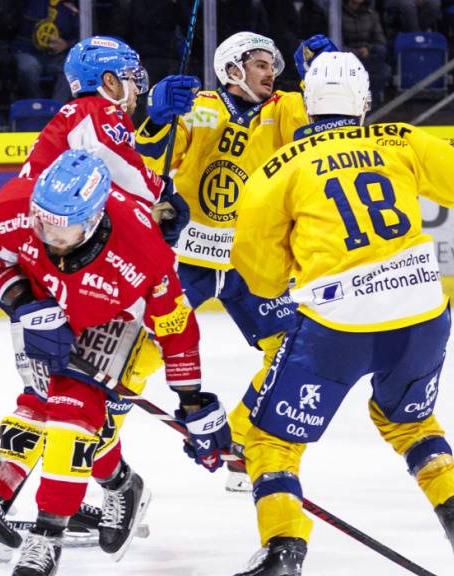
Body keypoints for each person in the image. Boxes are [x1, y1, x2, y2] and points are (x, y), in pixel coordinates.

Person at [229, 51, 454, 575]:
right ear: (364, 101)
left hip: (338, 328)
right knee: (407, 419)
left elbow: (263, 277)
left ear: (308, 105)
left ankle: (283, 549)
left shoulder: (276, 171)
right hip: (421, 315)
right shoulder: (401, 140)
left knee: (269, 439)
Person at [0, 150, 232, 576]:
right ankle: (121, 482)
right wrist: (25, 303)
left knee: (71, 418)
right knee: (46, 405)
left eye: (62, 229)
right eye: (43, 222)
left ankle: (46, 538)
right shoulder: (12, 207)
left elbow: (176, 328)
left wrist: (193, 400)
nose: (49, 236)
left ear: (93, 219)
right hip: (50, 308)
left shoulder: (142, 247)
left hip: (122, 322)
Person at [136, 31, 333, 493]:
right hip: (191, 255)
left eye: (273, 66)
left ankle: (244, 442)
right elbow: (150, 158)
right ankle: (100, 427)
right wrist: (156, 117)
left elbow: (318, 140)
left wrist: (321, 83)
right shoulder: (199, 104)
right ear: (232, 69)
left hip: (252, 258)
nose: (272, 72)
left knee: (290, 349)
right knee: (144, 344)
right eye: (262, 63)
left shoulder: (284, 107)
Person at [20, 35, 190, 235]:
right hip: (44, 222)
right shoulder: (97, 109)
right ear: (109, 81)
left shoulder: (80, 113)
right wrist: (162, 192)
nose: (136, 88)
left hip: (43, 217)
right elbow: (114, 159)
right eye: (131, 77)